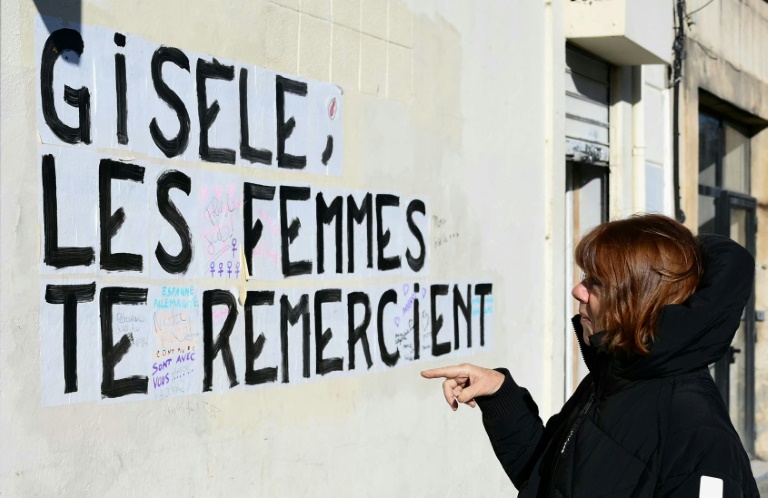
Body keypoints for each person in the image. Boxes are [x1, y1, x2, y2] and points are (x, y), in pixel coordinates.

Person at [422, 214, 759, 497]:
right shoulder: (614, 377)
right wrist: (500, 395)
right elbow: (548, 481)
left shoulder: (698, 433)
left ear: (640, 298)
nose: (577, 290)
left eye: (595, 282)